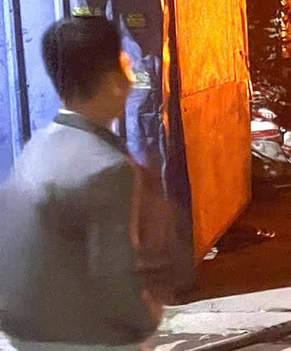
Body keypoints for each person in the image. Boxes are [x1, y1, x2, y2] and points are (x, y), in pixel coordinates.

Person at [0, 17, 174, 350]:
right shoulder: (108, 168)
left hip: (20, 335)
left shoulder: (37, 147)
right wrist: (148, 321)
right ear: (112, 82)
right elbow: (115, 276)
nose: (130, 80)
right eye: (126, 67)